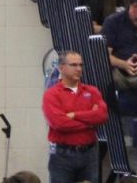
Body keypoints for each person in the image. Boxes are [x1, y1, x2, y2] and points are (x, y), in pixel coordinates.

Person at [41, 50, 108, 183]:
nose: (79, 69)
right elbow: (59, 124)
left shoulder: (92, 91)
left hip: (90, 153)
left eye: (81, 65)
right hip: (62, 155)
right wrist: (90, 121)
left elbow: (102, 116)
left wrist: (75, 115)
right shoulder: (52, 94)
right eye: (74, 65)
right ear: (61, 68)